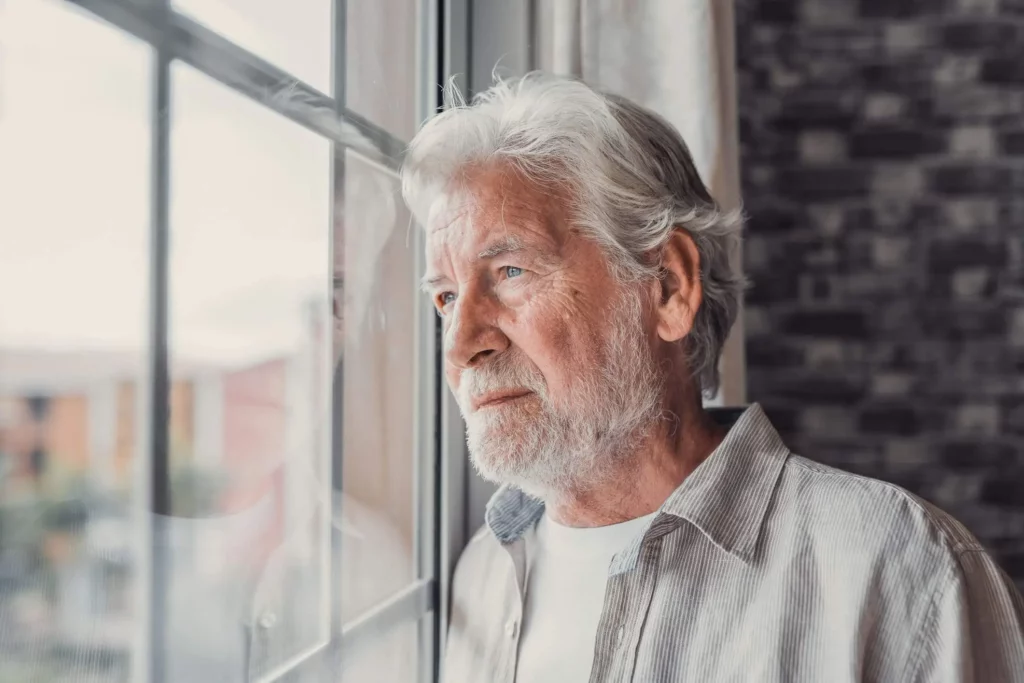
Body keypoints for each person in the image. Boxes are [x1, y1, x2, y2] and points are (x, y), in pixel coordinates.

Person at [401, 72, 1024, 682]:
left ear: (669, 286)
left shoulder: (901, 571)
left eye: (510, 271)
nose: (461, 345)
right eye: (446, 298)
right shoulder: (480, 575)